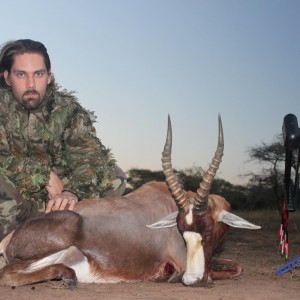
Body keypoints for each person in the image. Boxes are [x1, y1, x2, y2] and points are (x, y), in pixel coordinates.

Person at [0, 39, 126, 239]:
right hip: (18, 196)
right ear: (7, 78)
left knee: (114, 176)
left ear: (49, 77)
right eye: (21, 74)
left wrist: (71, 192)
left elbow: (90, 156)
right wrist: (43, 176)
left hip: (59, 200)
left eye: (39, 74)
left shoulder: (68, 110)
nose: (31, 84)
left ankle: (68, 228)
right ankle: (18, 239)